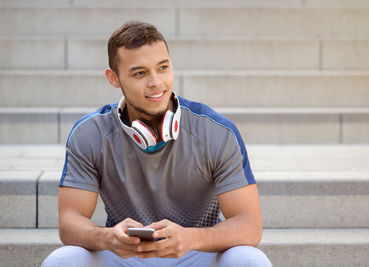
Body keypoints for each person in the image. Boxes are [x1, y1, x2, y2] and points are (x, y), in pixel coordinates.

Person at [42, 20, 272, 267]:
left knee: (249, 260)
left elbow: (249, 225)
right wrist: (108, 237)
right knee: (62, 260)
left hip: (195, 252)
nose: (156, 82)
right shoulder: (89, 134)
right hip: (124, 256)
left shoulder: (217, 132)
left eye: (162, 68)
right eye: (139, 73)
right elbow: (70, 222)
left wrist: (189, 238)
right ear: (113, 78)